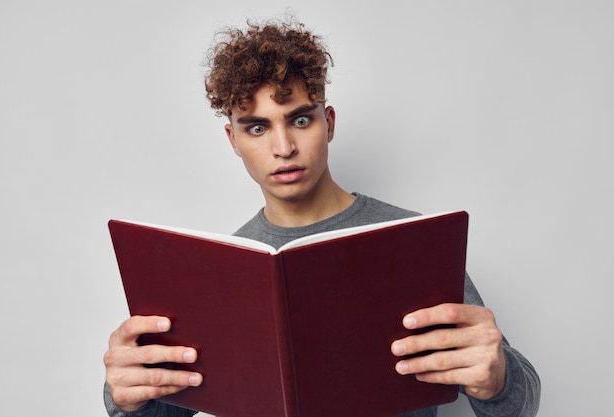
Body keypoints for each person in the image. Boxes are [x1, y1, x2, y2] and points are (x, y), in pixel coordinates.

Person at [103, 18, 540, 417]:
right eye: (257, 127)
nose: (283, 147)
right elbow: (163, 408)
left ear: (328, 123)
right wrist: (123, 397)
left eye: (299, 119)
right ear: (232, 140)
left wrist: (497, 375)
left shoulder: (412, 241)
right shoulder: (216, 269)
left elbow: (517, 405)